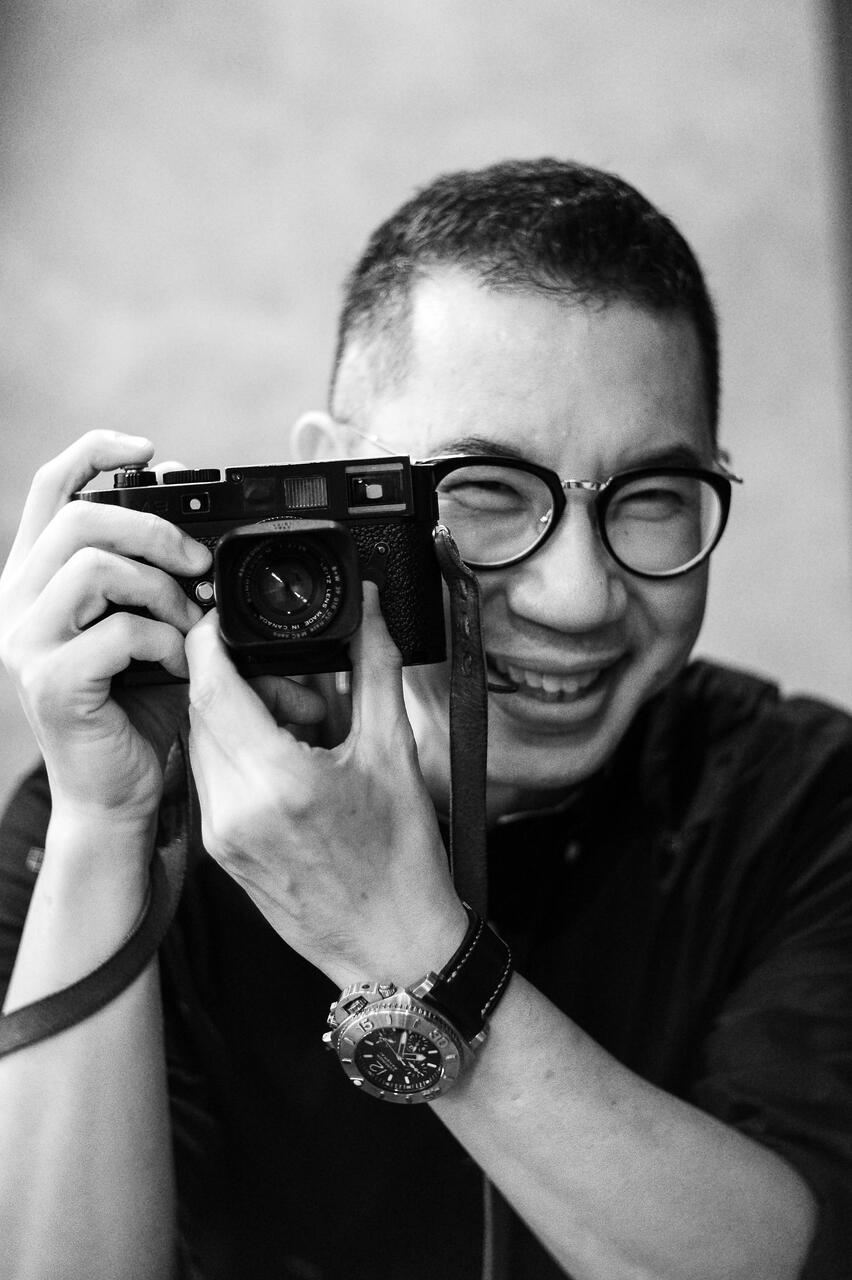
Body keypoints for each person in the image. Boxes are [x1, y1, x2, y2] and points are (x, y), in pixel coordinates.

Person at [0, 158, 850, 1280]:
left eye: (652, 498)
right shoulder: (139, 798)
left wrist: (392, 934)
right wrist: (104, 827)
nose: (579, 598)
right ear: (328, 475)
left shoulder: (806, 803)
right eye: (486, 490)